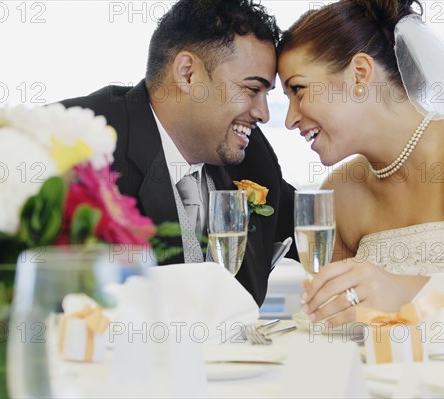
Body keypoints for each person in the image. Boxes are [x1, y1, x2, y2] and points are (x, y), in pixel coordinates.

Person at [276, 0, 444, 325]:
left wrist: (408, 293)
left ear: (360, 73)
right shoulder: (339, 193)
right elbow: (336, 325)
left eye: (298, 90)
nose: (289, 120)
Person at [61, 0, 297, 306]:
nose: (264, 114)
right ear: (187, 74)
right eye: (252, 89)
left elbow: (320, 227)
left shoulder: (250, 155)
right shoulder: (79, 144)